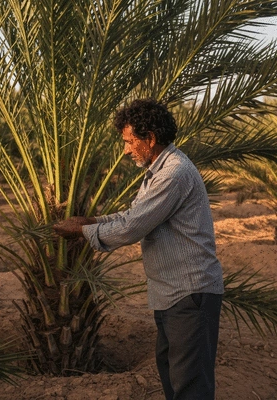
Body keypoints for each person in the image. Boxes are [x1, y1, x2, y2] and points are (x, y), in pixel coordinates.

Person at [53, 98, 224, 400]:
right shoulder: (157, 171)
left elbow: (133, 227)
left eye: (129, 141)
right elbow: (132, 215)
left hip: (190, 295)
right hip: (173, 294)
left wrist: (81, 230)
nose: (125, 149)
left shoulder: (174, 173)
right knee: (174, 377)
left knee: (190, 386)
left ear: (151, 138)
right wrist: (91, 220)